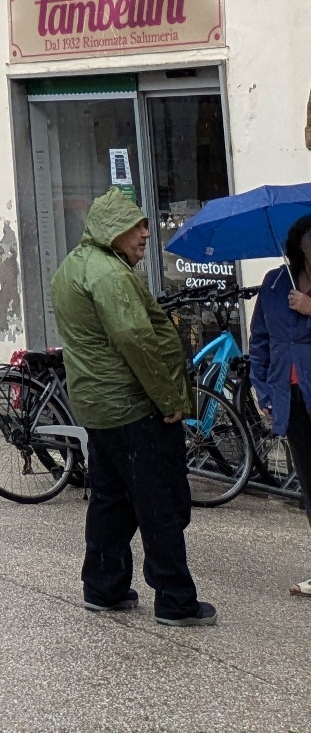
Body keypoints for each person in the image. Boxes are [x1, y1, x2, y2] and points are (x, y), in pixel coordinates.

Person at [50, 188, 215, 625]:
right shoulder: (109, 274)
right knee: (160, 502)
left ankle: (103, 588)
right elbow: (136, 341)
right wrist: (170, 400)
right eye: (136, 226)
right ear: (112, 230)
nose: (146, 233)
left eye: (145, 224)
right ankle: (175, 601)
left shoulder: (73, 266)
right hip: (133, 407)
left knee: (111, 499)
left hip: (99, 407)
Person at [248, 213, 311, 596]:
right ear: (297, 247)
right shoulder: (275, 282)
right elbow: (260, 341)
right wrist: (265, 393)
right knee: (309, 481)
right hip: (290, 397)